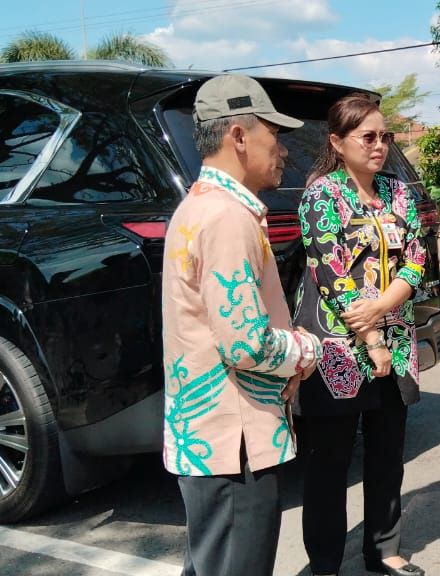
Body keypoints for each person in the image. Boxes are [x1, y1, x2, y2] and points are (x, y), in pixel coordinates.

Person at [162, 74, 321, 576]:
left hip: (212, 438)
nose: (283, 151)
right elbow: (247, 345)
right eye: (274, 135)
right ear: (238, 136)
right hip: (236, 442)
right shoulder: (227, 217)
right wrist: (305, 348)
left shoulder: (197, 208)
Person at [294, 94, 429, 576]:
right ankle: (325, 562)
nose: (379, 145)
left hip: (394, 337)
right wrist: (370, 335)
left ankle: (384, 549)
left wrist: (386, 304)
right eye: (368, 137)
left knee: (388, 452)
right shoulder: (321, 195)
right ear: (337, 141)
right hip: (338, 348)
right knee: (329, 461)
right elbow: (331, 272)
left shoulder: (397, 191)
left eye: (385, 136)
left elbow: (417, 255)